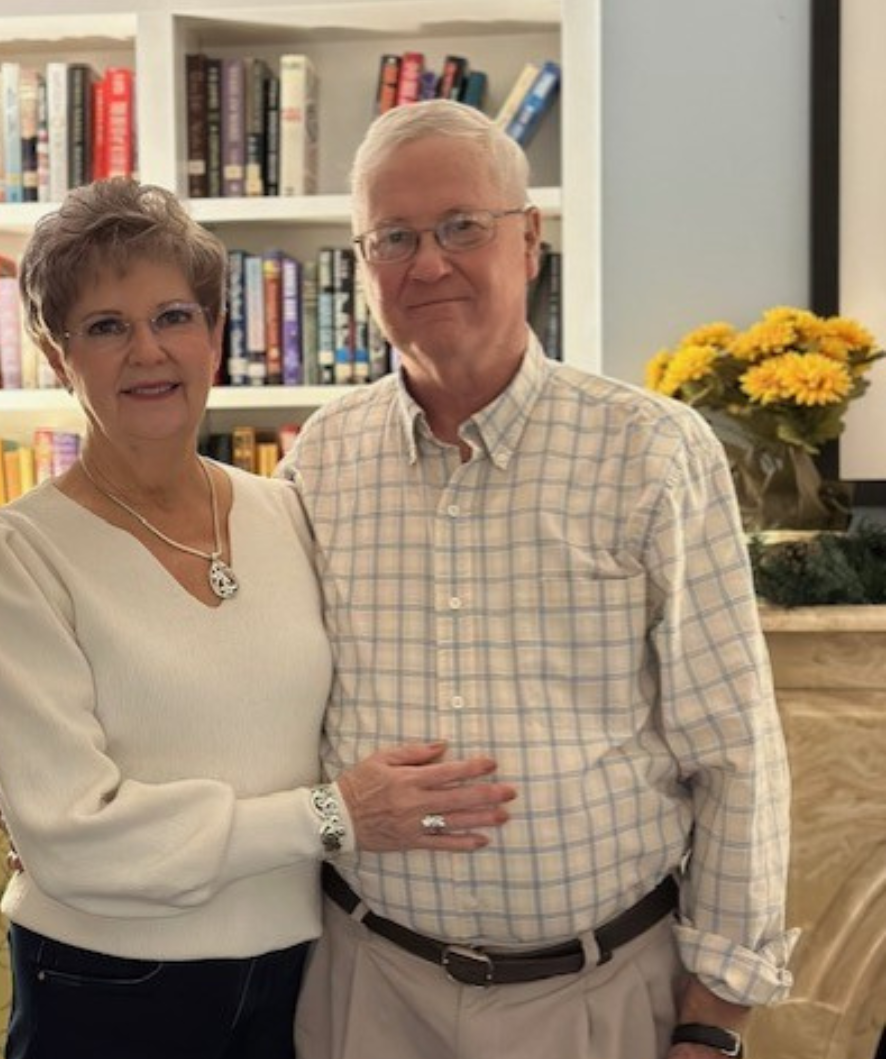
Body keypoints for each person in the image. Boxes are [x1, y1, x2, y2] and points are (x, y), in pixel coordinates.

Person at [0, 179, 517, 1059]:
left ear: (214, 335)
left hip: (298, 968)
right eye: (106, 326)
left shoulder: (286, 510)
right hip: (106, 981)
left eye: (173, 317)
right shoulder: (10, 553)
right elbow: (73, 837)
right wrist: (333, 815)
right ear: (59, 358)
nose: (148, 352)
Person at [281, 100, 797, 1059]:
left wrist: (716, 1014)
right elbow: (264, 695)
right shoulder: (322, 457)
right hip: (370, 988)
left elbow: (734, 749)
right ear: (362, 264)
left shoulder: (651, 451)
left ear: (529, 242)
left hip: (599, 995)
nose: (427, 263)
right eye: (394, 237)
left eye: (460, 227)